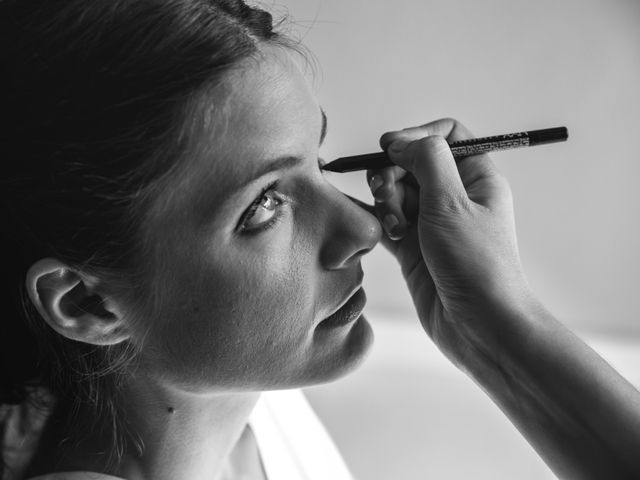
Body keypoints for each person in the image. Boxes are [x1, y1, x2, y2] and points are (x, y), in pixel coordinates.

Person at [1, 1, 639, 479]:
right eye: (266, 205)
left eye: (319, 158)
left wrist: (495, 326)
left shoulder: (244, 404)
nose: (364, 227)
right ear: (89, 302)